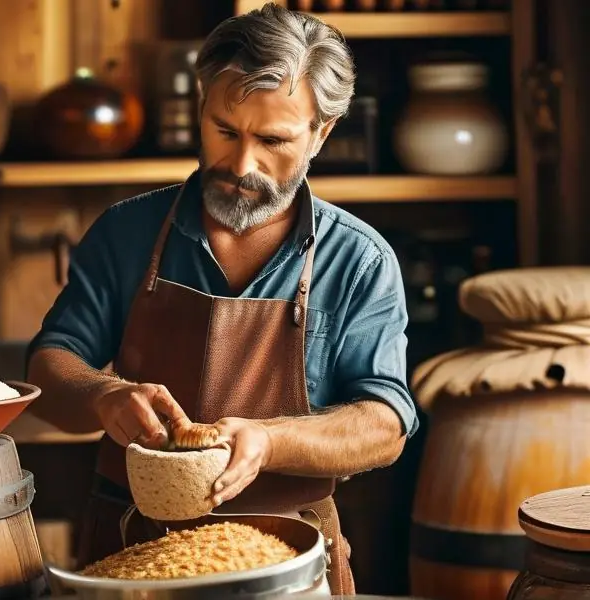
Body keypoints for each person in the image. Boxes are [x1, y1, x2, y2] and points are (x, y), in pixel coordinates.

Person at [26, 2, 418, 594]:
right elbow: (48, 364)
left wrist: (271, 440)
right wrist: (103, 396)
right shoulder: (126, 234)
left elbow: (385, 423)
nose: (241, 163)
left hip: (288, 559)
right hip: (133, 551)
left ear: (321, 133)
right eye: (225, 131)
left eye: (272, 140)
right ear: (201, 104)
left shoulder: (359, 260)